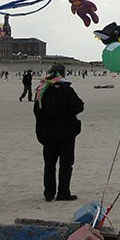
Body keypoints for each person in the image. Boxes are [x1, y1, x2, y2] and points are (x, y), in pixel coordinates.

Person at [33, 64, 83, 202]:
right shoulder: (65, 90)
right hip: (64, 133)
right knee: (65, 164)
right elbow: (79, 106)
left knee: (49, 164)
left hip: (48, 134)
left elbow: (37, 110)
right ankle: (63, 193)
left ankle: (49, 193)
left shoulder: (42, 90)